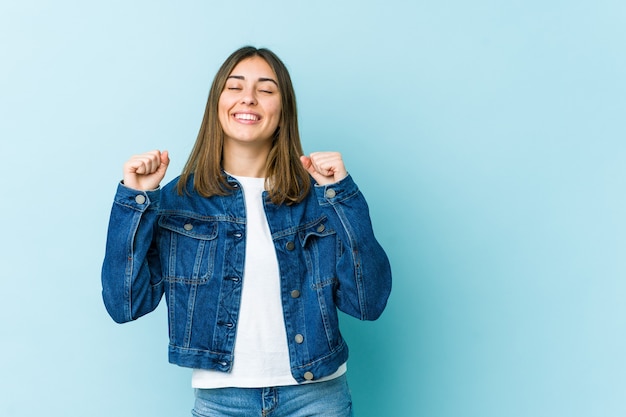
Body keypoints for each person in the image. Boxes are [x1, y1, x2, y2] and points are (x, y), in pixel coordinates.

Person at [101, 46, 392, 417]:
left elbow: (368, 303)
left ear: (283, 110)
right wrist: (137, 200)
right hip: (222, 402)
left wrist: (342, 196)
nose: (249, 98)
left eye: (266, 90)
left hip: (316, 399)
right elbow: (125, 304)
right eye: (235, 87)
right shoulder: (177, 200)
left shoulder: (319, 197)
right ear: (217, 103)